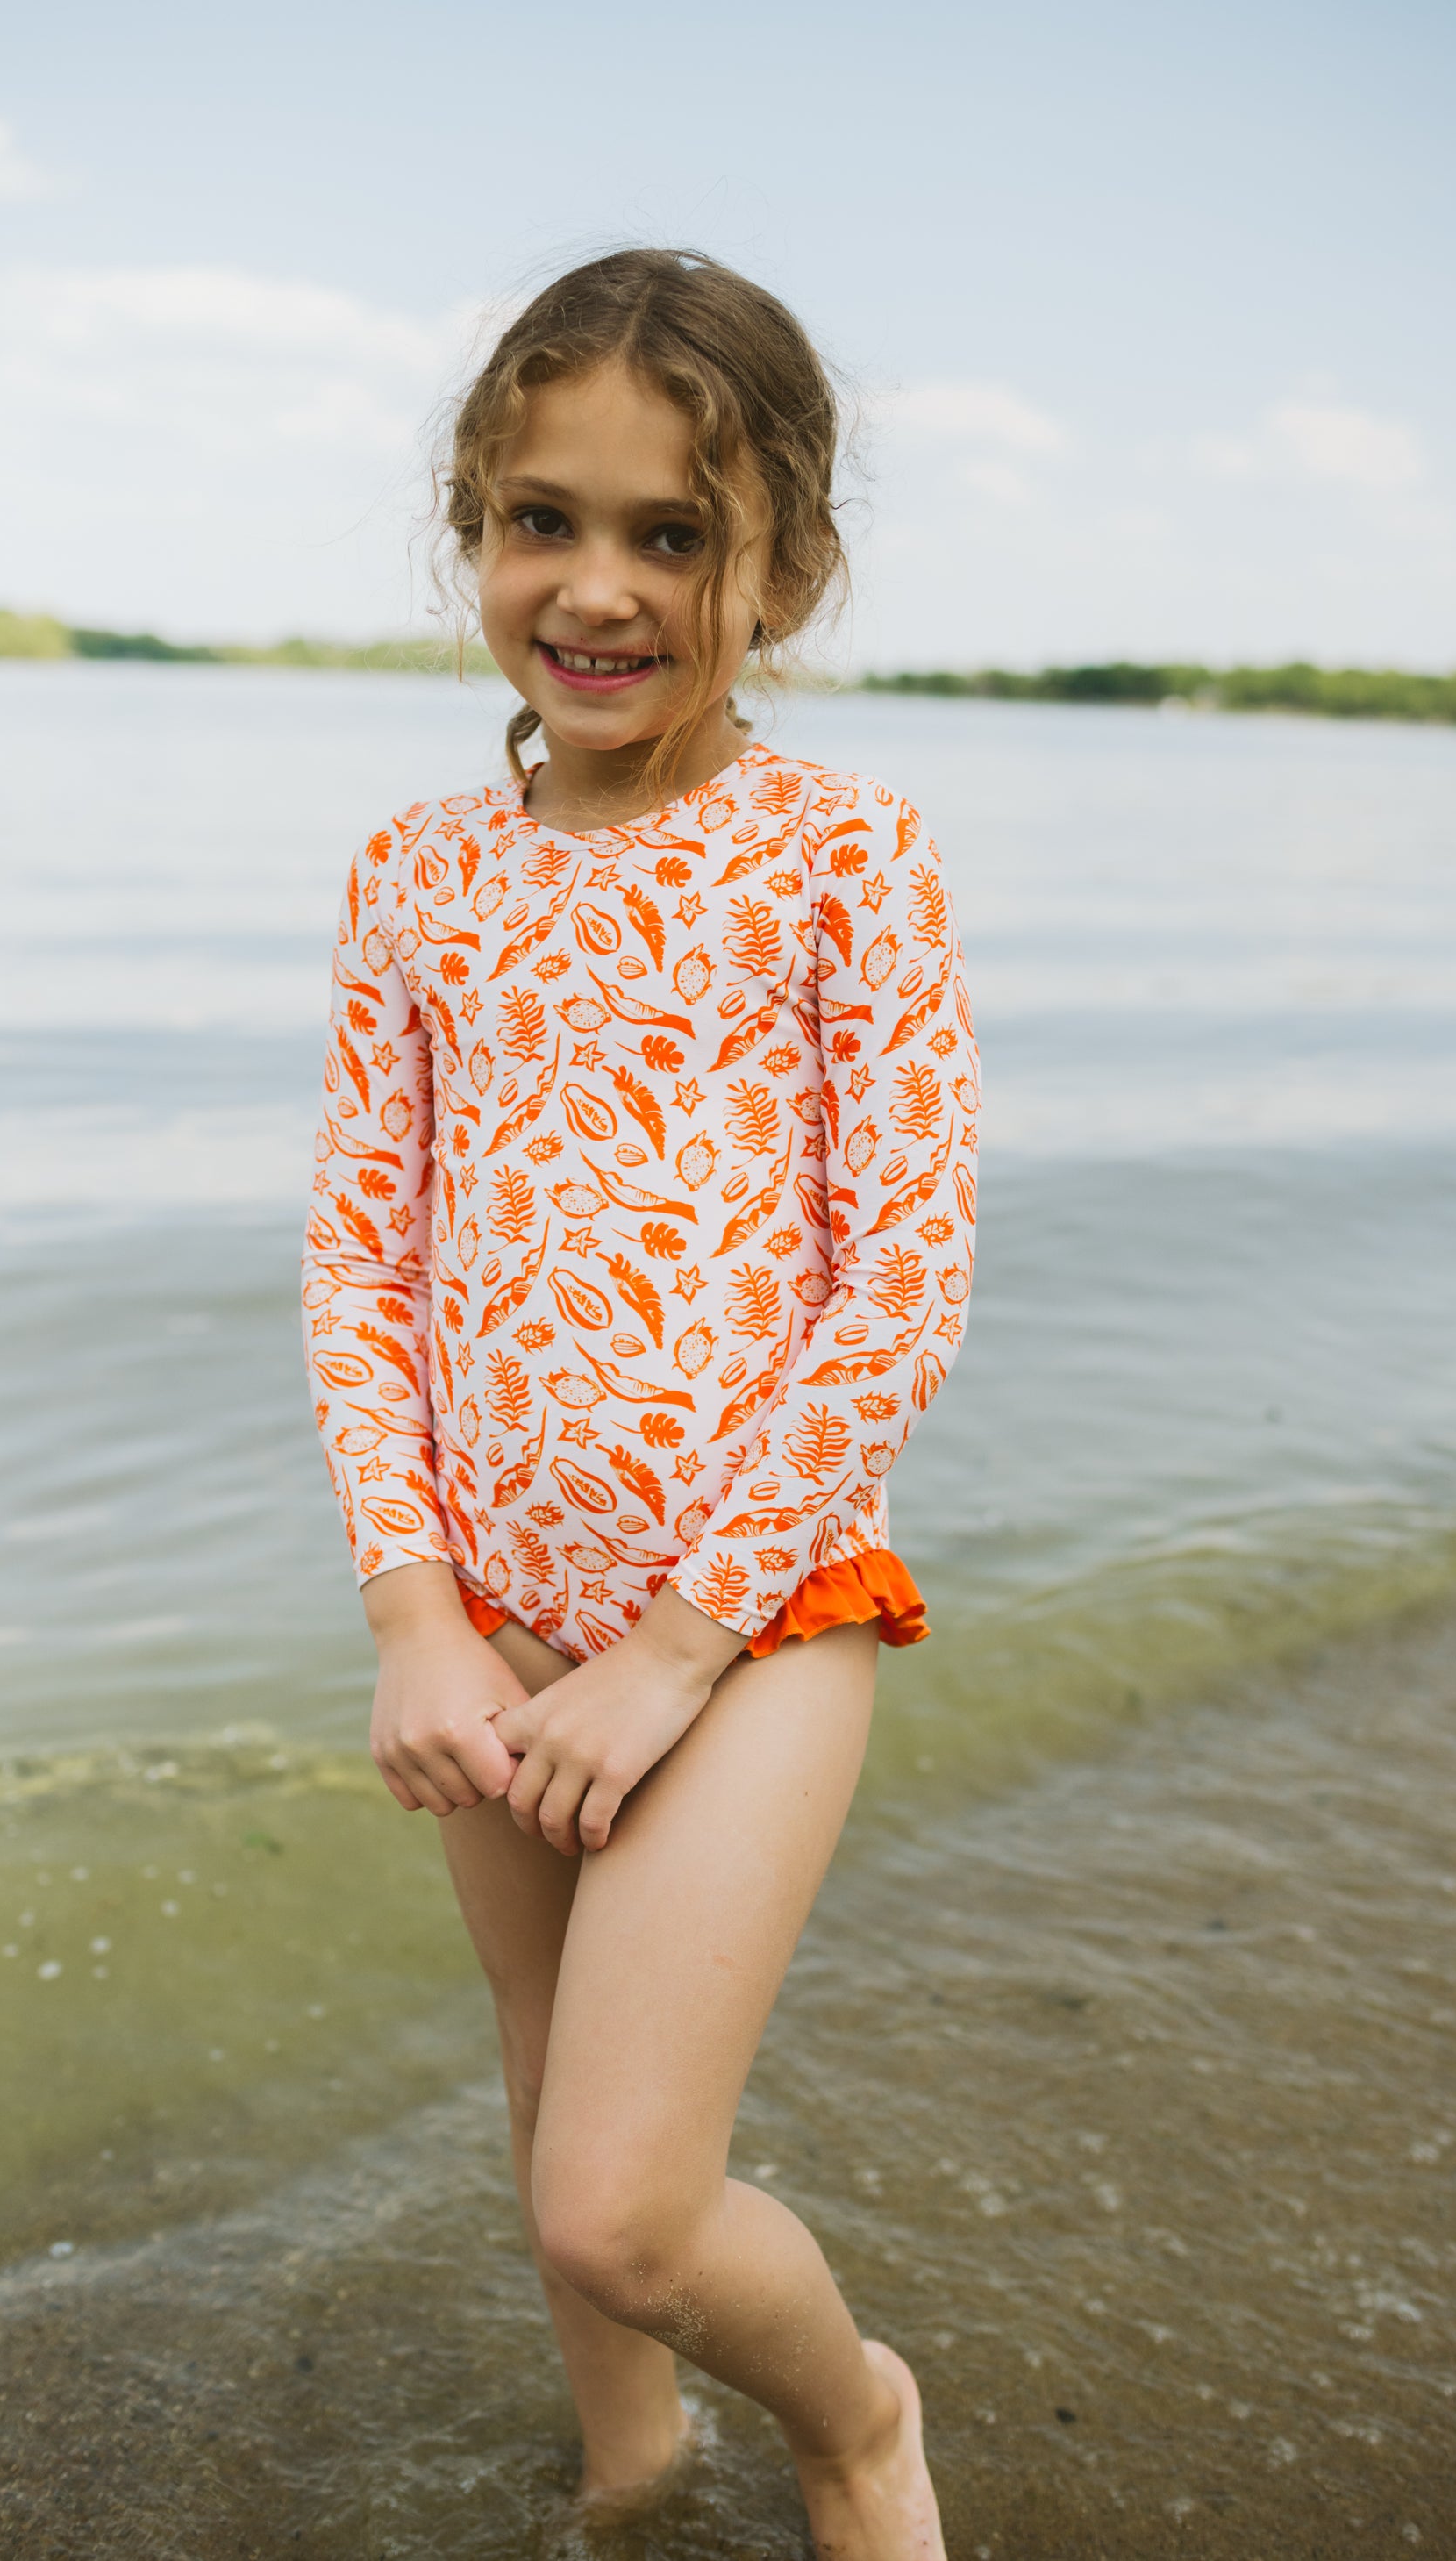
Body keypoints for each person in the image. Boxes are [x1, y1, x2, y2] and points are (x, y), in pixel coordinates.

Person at [302, 247, 976, 2558]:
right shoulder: (418, 877)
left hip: (750, 1618)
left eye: (667, 534)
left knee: (616, 2201)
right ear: (470, 531)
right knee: (538, 2087)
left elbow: (897, 1282)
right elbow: (358, 1263)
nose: (590, 589)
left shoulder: (839, 856)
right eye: (535, 517)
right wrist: (413, 1608)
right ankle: (632, 2486)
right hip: (494, 1622)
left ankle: (851, 2416)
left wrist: (686, 1637)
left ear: (786, 562)